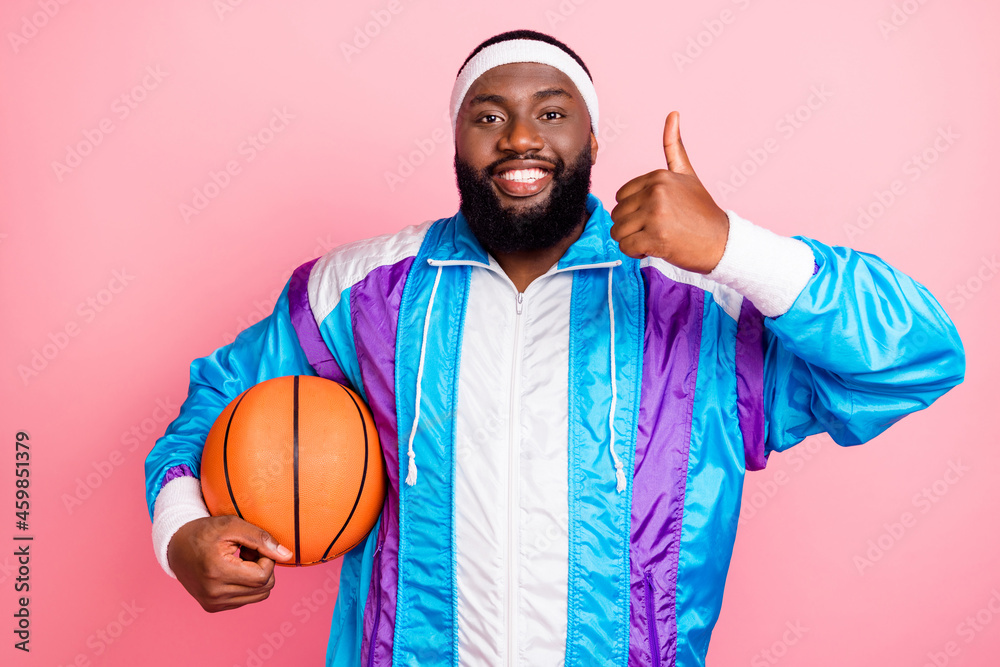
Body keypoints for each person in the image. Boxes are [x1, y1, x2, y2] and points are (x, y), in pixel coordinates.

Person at [144, 29, 965, 667]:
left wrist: (733, 247)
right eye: (489, 114)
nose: (520, 137)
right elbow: (211, 406)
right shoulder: (360, 291)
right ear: (457, 138)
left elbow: (914, 355)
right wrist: (182, 531)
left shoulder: (701, 300)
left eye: (552, 112)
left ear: (594, 143)